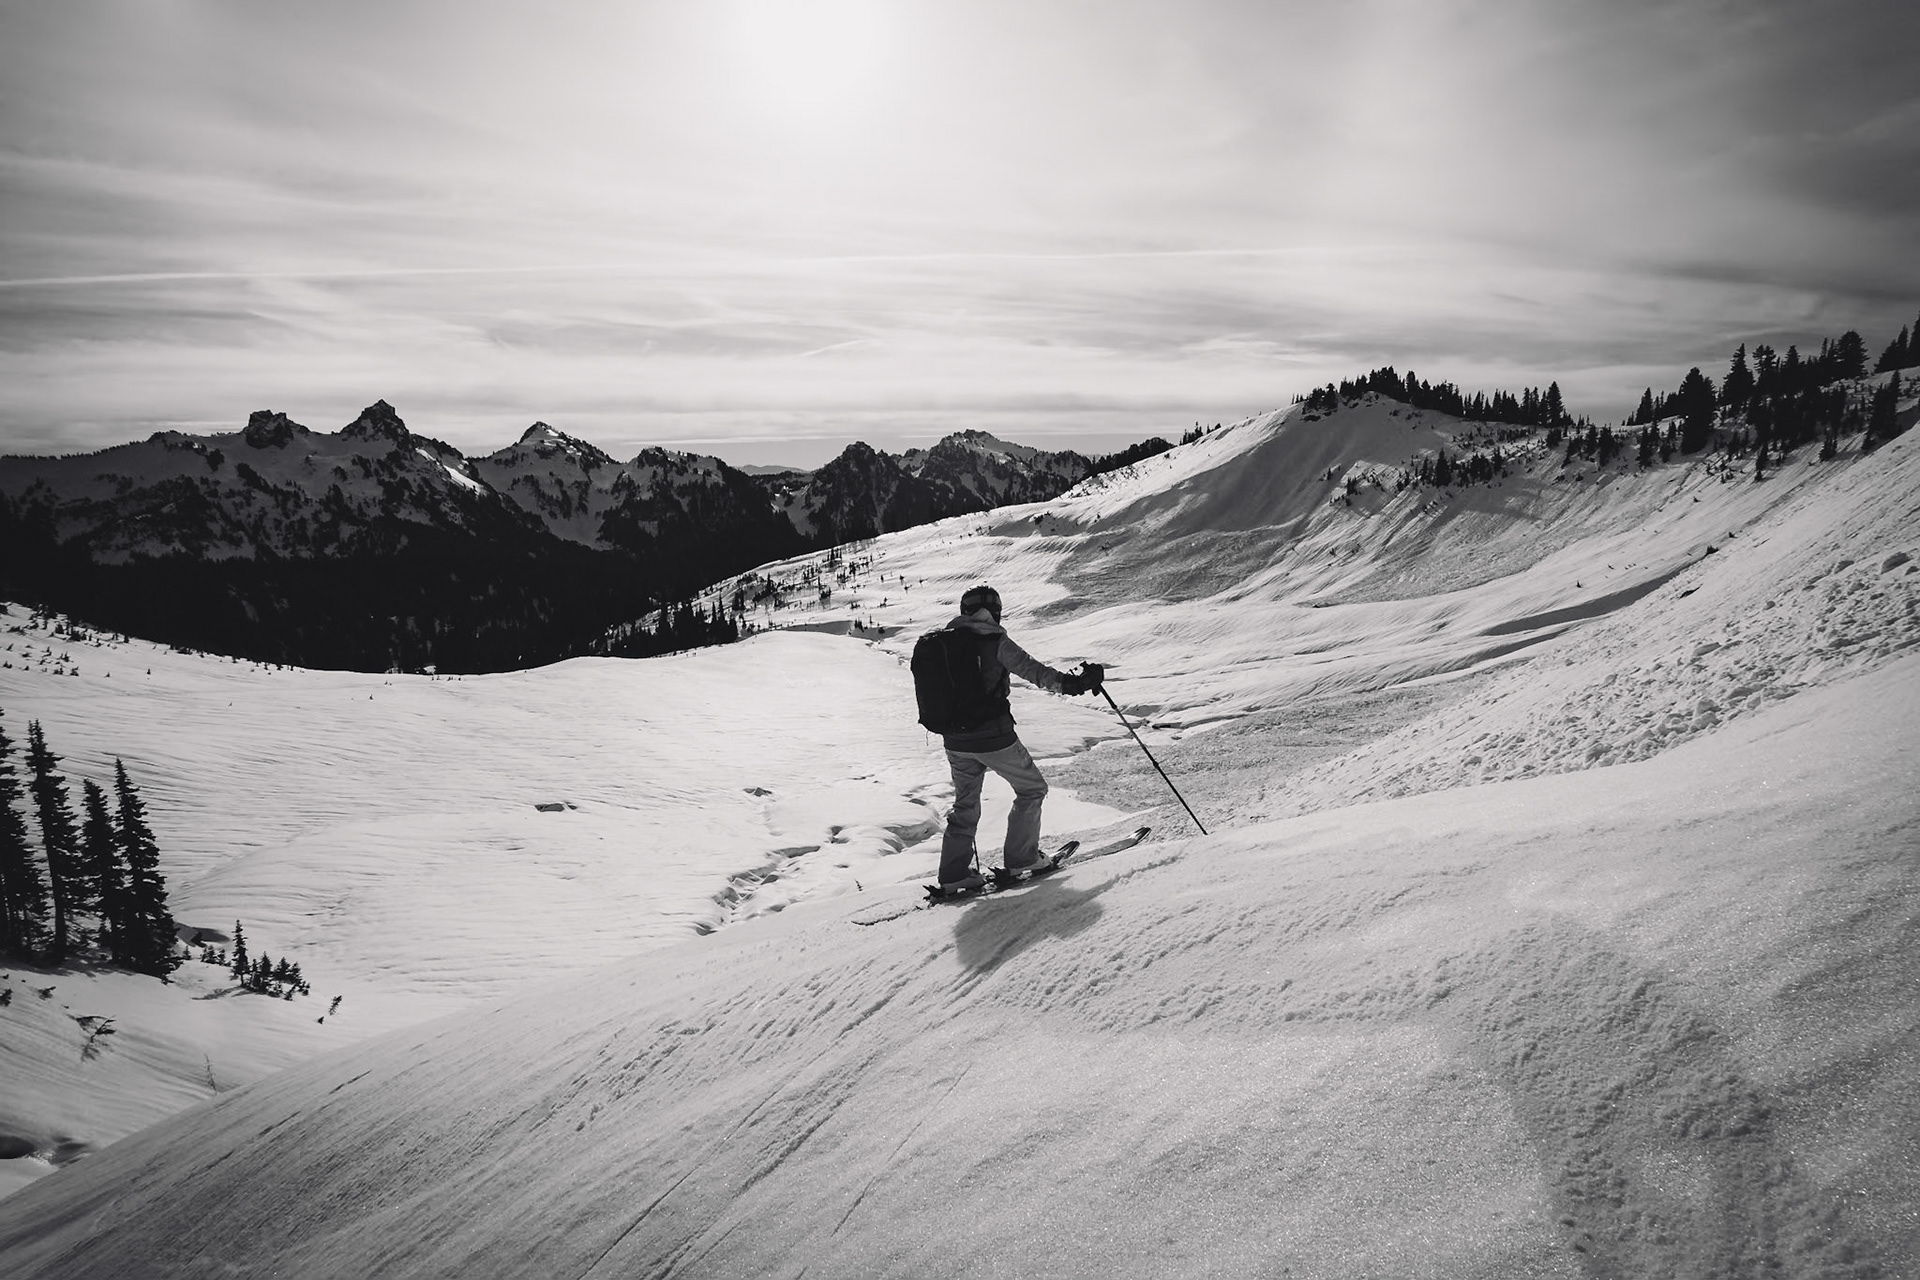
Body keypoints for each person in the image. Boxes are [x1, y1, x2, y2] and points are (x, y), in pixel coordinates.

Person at [931, 584, 1104, 894]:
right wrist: (1077, 684)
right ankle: (1023, 859)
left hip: (955, 741)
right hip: (995, 738)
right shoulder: (996, 642)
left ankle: (954, 874)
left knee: (965, 807)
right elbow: (1036, 672)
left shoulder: (942, 642)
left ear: (964, 611)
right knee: (1032, 789)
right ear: (996, 612)